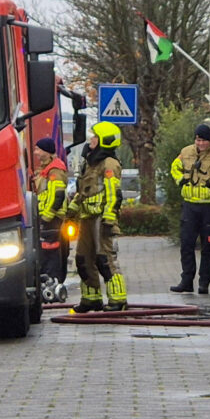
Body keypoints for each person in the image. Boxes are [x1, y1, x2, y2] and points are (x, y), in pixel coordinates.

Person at [68, 121, 128, 312]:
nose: (90, 140)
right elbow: (82, 191)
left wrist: (109, 219)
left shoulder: (109, 164)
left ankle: (118, 299)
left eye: (94, 136)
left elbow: (113, 194)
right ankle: (91, 298)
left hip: (101, 219)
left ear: (105, 140)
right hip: (86, 217)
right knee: (83, 259)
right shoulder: (90, 162)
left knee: (104, 259)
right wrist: (71, 211)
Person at [169, 124, 210, 295]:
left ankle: (204, 282)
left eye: (204, 141)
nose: (200, 144)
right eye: (198, 140)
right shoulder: (186, 152)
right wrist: (181, 179)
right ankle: (186, 280)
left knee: (209, 246)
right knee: (186, 244)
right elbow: (174, 167)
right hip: (190, 205)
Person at [33, 137, 70, 302]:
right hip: (46, 217)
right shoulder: (46, 169)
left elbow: (58, 195)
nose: (35, 152)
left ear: (46, 151)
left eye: (38, 149)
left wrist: (47, 216)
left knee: (51, 253)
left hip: (52, 219)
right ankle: (47, 283)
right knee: (46, 252)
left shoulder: (55, 170)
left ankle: (53, 284)